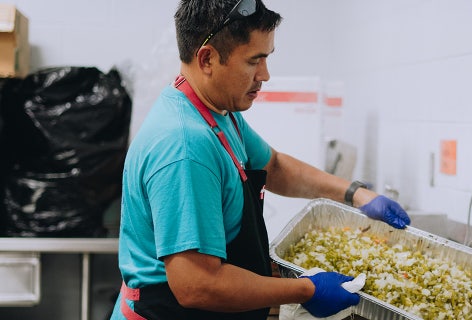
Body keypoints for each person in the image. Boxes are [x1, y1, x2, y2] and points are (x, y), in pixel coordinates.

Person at [110, 0, 411, 319]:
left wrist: (357, 195)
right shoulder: (184, 144)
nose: (265, 75)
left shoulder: (218, 114)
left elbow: (275, 165)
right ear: (208, 58)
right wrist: (307, 289)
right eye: (255, 61)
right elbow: (197, 284)